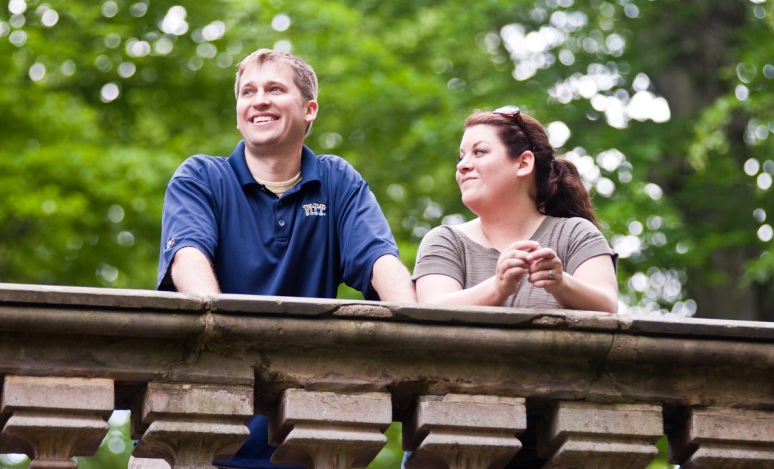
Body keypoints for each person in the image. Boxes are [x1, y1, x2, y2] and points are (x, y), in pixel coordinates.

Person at [153, 48, 416, 468]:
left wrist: (416, 323)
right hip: (199, 429)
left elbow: (379, 261)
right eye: (247, 92)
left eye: (275, 89)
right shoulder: (202, 176)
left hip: (300, 440)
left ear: (309, 109)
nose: (258, 100)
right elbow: (188, 258)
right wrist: (224, 334)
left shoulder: (336, 180)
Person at [412, 105, 618, 312]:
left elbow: (608, 307)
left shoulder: (576, 234)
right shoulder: (445, 241)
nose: (462, 165)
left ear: (523, 163)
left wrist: (560, 283)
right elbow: (431, 311)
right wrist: (497, 287)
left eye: (479, 152)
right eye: (461, 156)